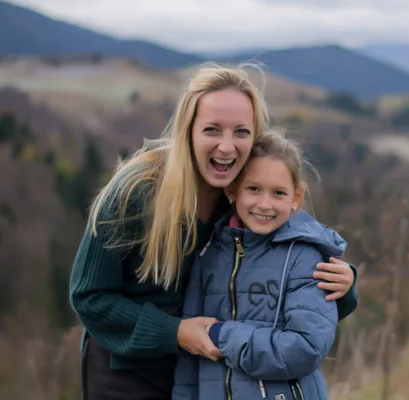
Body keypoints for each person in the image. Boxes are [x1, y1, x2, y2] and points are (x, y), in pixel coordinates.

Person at [69, 62, 359, 400]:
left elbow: (286, 267)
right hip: (126, 369)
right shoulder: (136, 192)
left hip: (201, 372)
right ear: (188, 130)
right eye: (211, 130)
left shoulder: (245, 196)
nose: (226, 147)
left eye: (240, 132)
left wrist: (345, 283)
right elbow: (89, 298)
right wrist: (175, 332)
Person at [173, 129, 344, 400]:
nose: (265, 204)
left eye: (278, 193)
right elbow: (189, 357)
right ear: (232, 189)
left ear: (296, 197)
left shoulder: (305, 256)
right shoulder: (209, 252)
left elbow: (306, 349)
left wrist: (224, 335)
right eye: (253, 189)